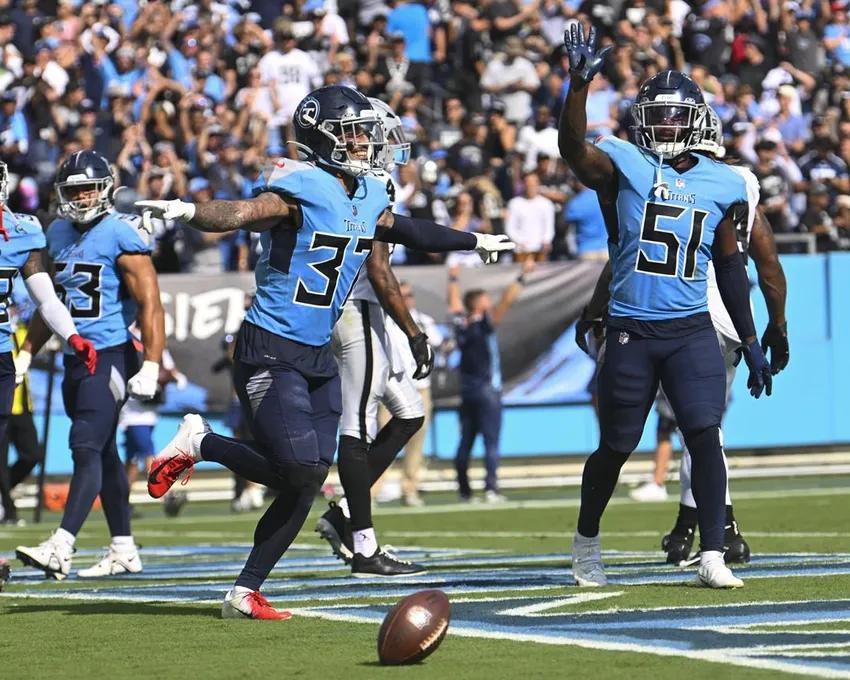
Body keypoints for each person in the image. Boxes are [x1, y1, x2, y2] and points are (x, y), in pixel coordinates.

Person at [136, 86, 514, 620]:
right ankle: (201, 442)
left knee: (309, 478)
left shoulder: (369, 194)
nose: (364, 143)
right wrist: (186, 210)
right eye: (353, 133)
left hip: (316, 353)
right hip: (270, 346)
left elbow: (407, 230)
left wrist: (475, 241)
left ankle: (245, 591)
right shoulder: (301, 185)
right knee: (296, 472)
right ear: (321, 137)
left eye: (365, 133)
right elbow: (242, 211)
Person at [559, 26, 773, 590]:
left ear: (697, 121)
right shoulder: (625, 162)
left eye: (677, 117)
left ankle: (713, 553)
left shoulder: (723, 182)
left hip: (691, 331)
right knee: (617, 445)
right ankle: (586, 541)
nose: (667, 126)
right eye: (658, 116)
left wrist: (751, 340)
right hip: (631, 329)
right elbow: (573, 149)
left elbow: (731, 268)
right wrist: (578, 87)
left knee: (704, 434)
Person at [15, 150, 165, 580]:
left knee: (84, 445)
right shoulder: (57, 231)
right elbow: (51, 303)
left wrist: (151, 364)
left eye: (88, 189)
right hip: (74, 359)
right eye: (74, 190)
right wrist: (27, 352)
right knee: (104, 452)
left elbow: (151, 303)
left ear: (106, 190)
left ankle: (62, 545)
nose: (81, 198)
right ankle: (124, 548)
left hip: (111, 354)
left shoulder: (121, 233)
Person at [316, 98, 431, 577]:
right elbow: (380, 271)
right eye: (370, 134)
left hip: (363, 309)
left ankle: (345, 513)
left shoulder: (363, 180)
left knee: (410, 413)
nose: (380, 144)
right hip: (353, 308)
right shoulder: (363, 183)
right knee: (357, 428)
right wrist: (413, 331)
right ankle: (363, 544)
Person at [449, 258, 535, 503]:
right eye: (485, 299)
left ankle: (464, 491)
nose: (490, 302)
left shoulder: (461, 324)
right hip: (487, 390)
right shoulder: (483, 324)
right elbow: (506, 302)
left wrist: (453, 278)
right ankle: (491, 488)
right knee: (491, 441)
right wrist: (522, 276)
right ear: (479, 304)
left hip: (467, 391)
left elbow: (454, 304)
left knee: (466, 441)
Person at [0, 311, 44, 526]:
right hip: (2, 406)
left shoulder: (23, 331)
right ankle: (8, 510)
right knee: (0, 463)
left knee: (32, 455)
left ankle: (3, 496)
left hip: (22, 407)